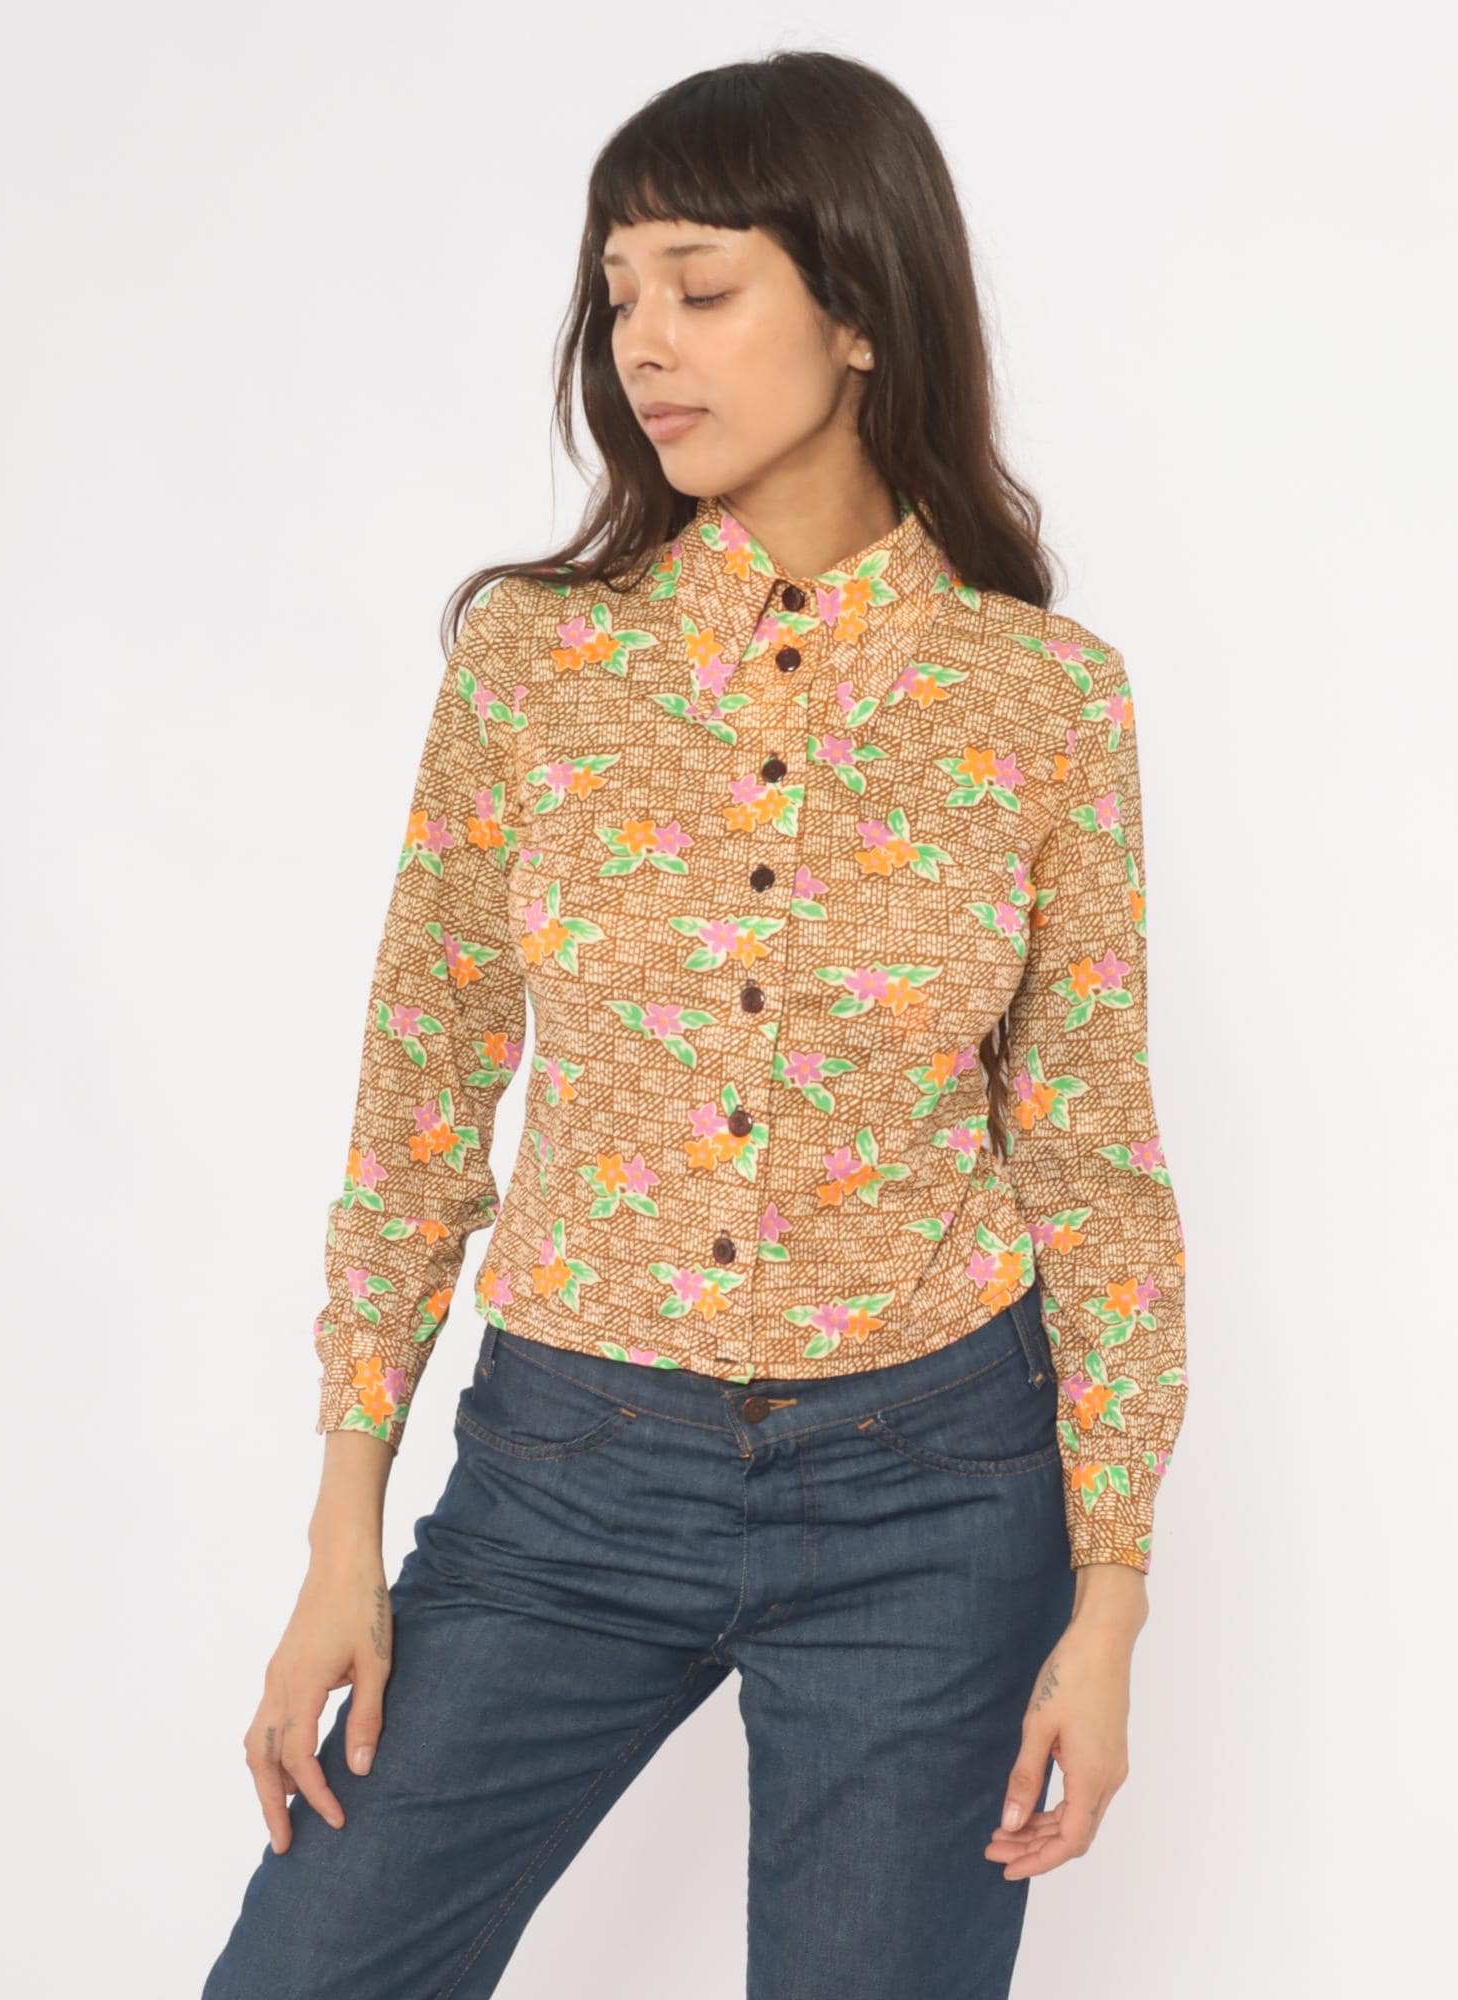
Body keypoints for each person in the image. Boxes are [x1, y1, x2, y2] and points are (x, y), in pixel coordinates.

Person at [204, 47, 1189, 2000]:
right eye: (618, 291)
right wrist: (341, 1535)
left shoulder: (1043, 700)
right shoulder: (535, 663)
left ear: (857, 310)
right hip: (567, 1466)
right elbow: (420, 1099)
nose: (641, 339)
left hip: (938, 1489)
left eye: (701, 284)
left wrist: (1110, 1602)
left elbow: (1090, 1166)